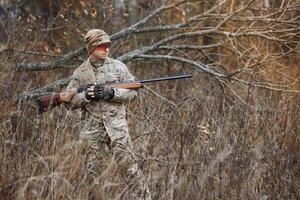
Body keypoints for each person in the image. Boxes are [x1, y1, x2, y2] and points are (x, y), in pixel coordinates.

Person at [66, 29, 151, 199]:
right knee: (93, 178)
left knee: (131, 171)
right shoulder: (80, 73)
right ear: (91, 48)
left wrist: (112, 94)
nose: (106, 49)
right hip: (92, 134)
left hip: (117, 130)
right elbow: (69, 102)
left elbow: (133, 92)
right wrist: (86, 96)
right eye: (102, 46)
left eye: (108, 46)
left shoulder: (119, 67)